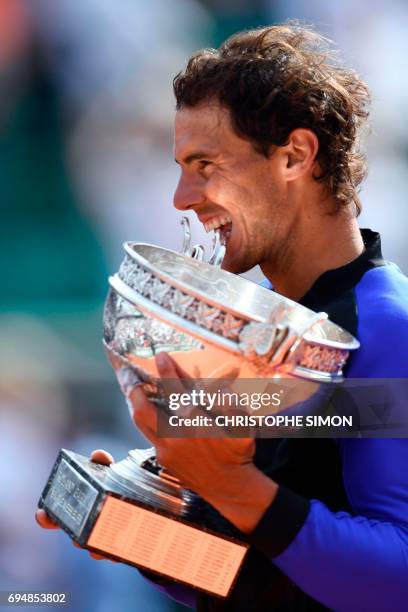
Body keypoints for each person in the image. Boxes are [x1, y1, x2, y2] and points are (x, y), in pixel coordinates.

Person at [37, 23, 408, 611]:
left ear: (295, 156)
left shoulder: (389, 327)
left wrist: (233, 488)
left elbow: (398, 582)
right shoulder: (256, 331)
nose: (181, 197)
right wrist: (146, 530)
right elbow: (266, 584)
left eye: (205, 164)